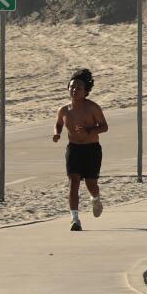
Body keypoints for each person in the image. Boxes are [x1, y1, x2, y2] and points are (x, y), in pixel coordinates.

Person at [52, 69, 108, 231]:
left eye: (79, 88)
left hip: (91, 149)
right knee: (73, 182)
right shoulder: (64, 110)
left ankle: (95, 198)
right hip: (74, 149)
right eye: (72, 87)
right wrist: (57, 134)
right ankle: (75, 219)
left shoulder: (92, 108)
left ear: (86, 92)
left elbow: (104, 127)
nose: (75, 90)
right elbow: (58, 124)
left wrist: (89, 131)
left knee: (91, 184)